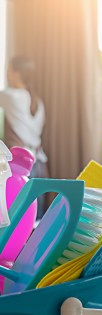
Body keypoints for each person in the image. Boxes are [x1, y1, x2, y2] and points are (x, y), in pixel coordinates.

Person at [0, 55, 49, 217]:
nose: (6, 73)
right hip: (39, 163)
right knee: (36, 217)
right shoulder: (38, 101)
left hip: (21, 165)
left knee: (17, 215)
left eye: (8, 69)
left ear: (16, 73)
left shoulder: (12, 96)